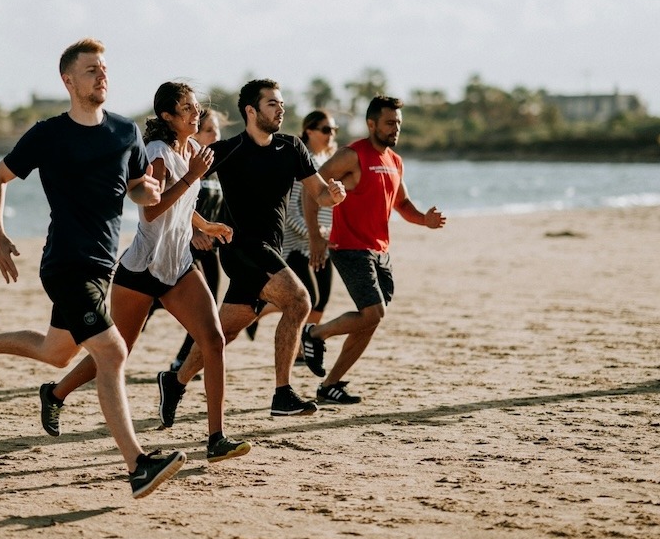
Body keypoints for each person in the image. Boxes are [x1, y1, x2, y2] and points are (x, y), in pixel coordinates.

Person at [0, 38, 186, 499]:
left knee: (56, 353)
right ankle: (138, 464)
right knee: (113, 353)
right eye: (92, 69)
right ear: (68, 80)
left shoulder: (125, 132)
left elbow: (138, 187)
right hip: (64, 264)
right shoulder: (48, 134)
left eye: (105, 68)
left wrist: (149, 194)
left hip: (102, 265)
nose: (102, 75)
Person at [37, 83, 251, 464]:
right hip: (140, 270)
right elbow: (151, 210)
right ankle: (55, 393)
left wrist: (205, 226)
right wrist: (191, 177)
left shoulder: (192, 152)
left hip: (178, 267)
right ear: (168, 117)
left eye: (196, 107)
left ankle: (216, 438)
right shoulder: (157, 154)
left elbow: (181, 207)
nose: (195, 113)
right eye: (186, 109)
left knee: (213, 339)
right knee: (118, 351)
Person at [157, 78, 347, 424]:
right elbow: (180, 188)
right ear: (251, 110)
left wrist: (333, 194)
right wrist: (196, 229)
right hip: (241, 247)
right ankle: (282, 393)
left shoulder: (291, 148)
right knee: (299, 300)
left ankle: (175, 380)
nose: (281, 109)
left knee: (224, 332)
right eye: (272, 104)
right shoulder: (228, 149)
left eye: (281, 103)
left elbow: (318, 193)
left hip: (269, 248)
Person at [300, 95, 446, 404]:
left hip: (380, 251)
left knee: (371, 319)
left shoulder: (395, 160)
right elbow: (310, 189)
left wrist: (424, 220)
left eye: (399, 124)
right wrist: (314, 236)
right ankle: (315, 334)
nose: (395, 129)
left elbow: (402, 204)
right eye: (389, 123)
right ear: (371, 124)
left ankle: (330, 385)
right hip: (349, 247)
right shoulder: (351, 155)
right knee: (373, 312)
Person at [258, 110, 340, 368]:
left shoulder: (328, 162)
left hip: (322, 242)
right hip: (297, 245)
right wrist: (313, 234)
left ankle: (305, 347)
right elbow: (292, 211)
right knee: (308, 298)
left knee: (322, 298)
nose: (331, 135)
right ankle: (261, 309)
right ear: (309, 131)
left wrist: (328, 235)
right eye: (326, 129)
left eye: (334, 130)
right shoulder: (302, 163)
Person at [167, 106, 228, 372]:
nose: (216, 136)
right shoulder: (188, 166)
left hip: (209, 250)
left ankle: (182, 358)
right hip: (184, 248)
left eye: (218, 130)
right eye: (209, 130)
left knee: (208, 307)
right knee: (193, 308)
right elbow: (172, 203)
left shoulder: (217, 168)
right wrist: (194, 232)